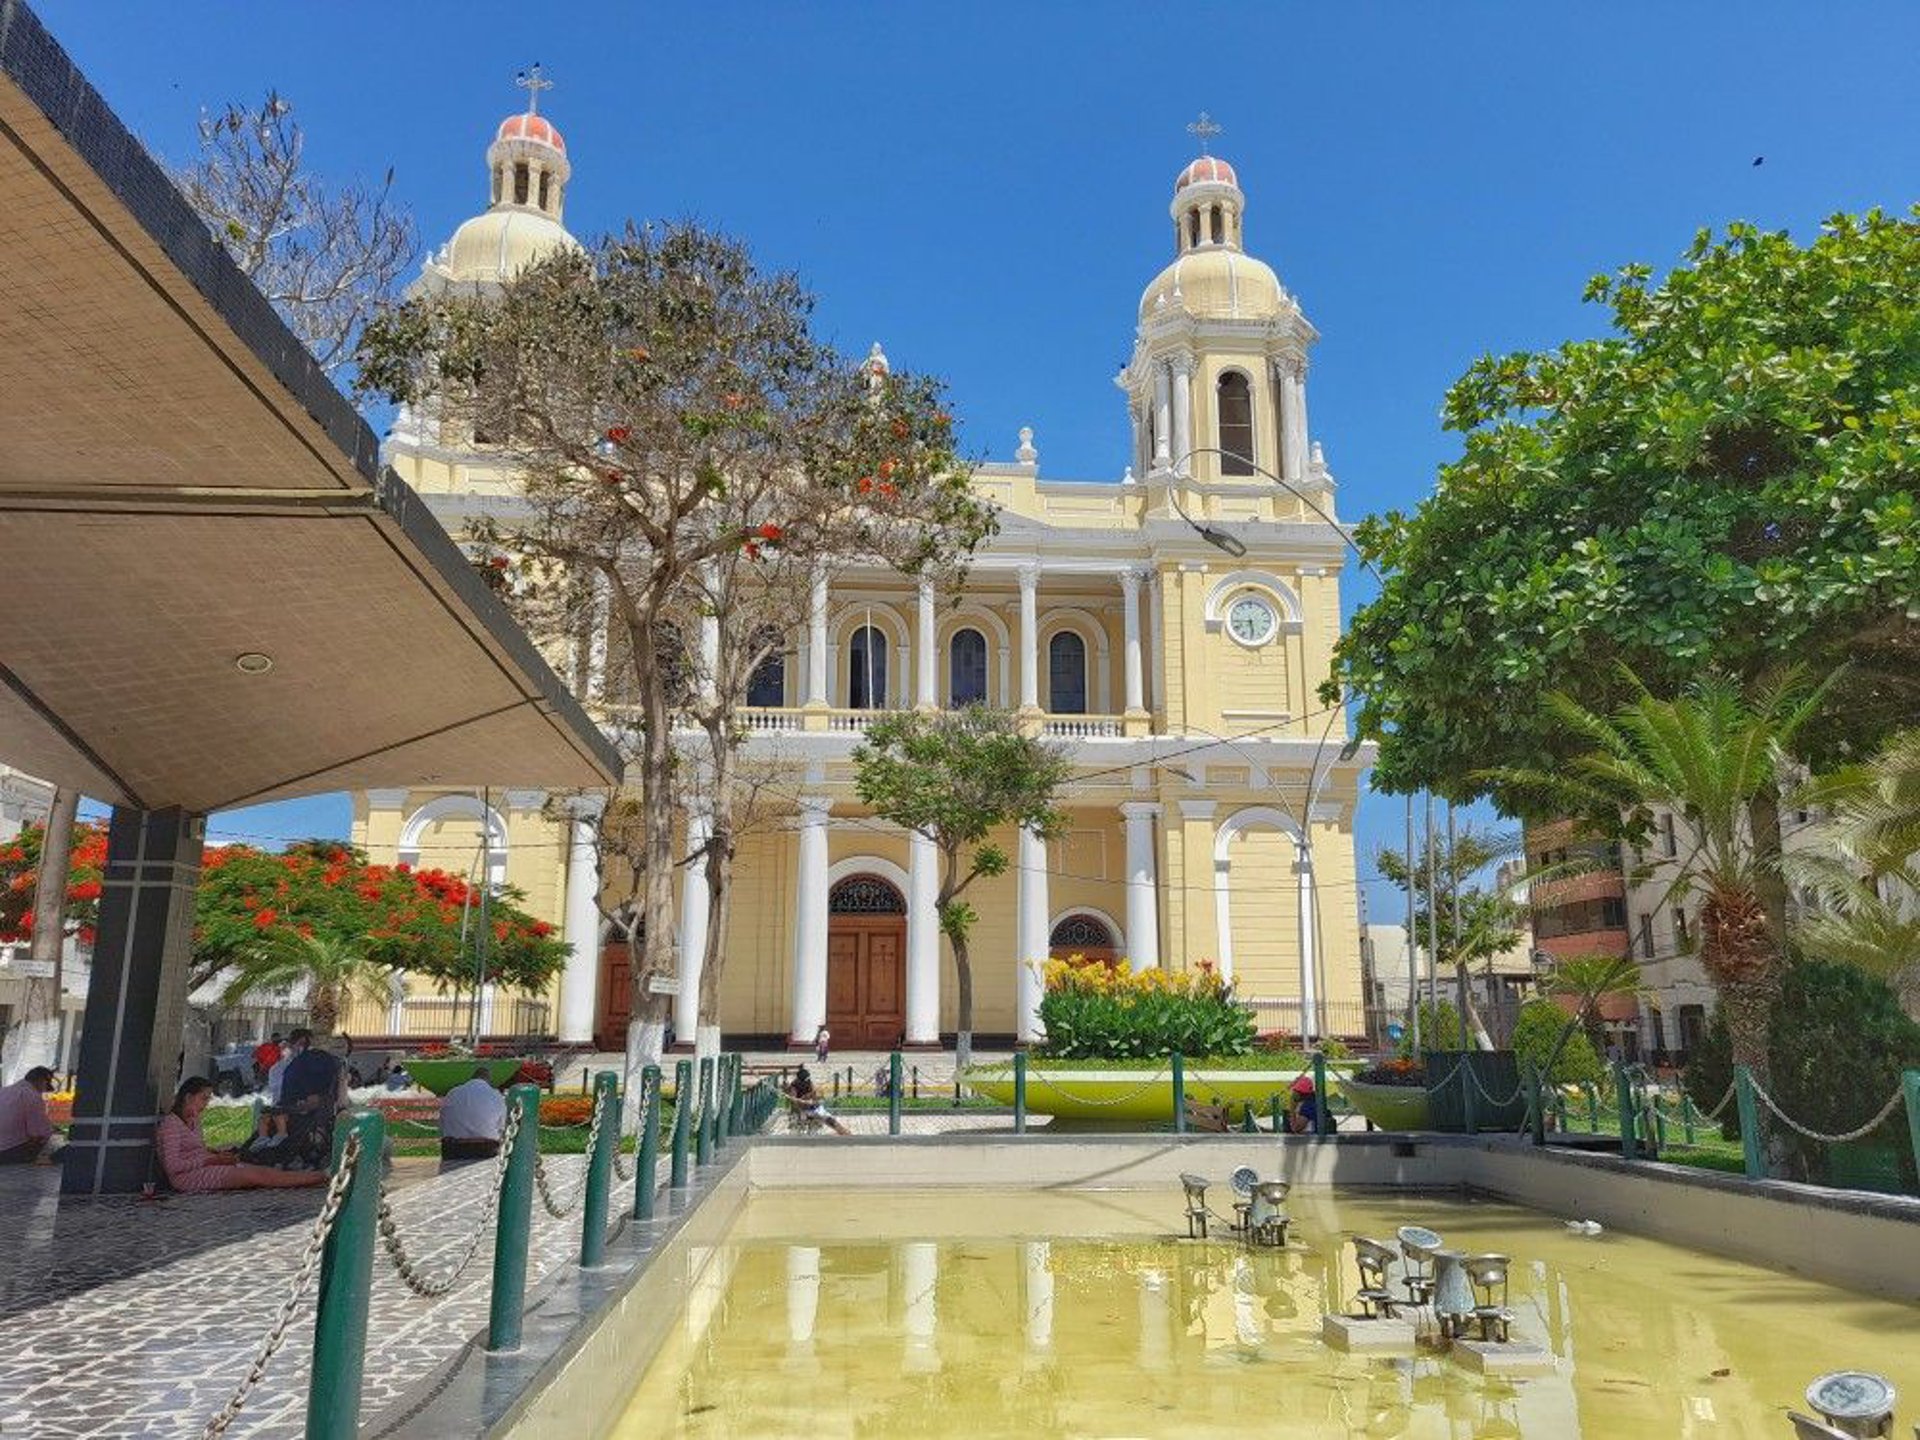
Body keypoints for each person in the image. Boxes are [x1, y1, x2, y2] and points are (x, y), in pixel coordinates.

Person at [156, 1078, 324, 1191]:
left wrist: (217, 1153)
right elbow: (173, 1167)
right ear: (188, 1097)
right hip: (186, 1178)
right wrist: (212, 1160)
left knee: (259, 1170)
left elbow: (194, 1149)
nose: (206, 1104)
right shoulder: (172, 1124)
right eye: (203, 1099)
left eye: (208, 1100)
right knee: (255, 1176)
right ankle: (320, 1177)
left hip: (204, 1165)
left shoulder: (194, 1121)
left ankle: (318, 1177)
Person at [439, 1065, 507, 1161]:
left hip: (452, 1148)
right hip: (485, 1149)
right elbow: (502, 1126)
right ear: (488, 1080)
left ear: (472, 1078)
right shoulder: (495, 1095)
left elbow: (442, 1121)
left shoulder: (452, 1092)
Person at [0, 1066, 57, 1164]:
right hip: (6, 1153)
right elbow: (38, 1133)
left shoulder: (3, 1091)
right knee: (47, 1139)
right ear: (43, 1081)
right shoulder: (32, 1096)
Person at [785, 1066, 850, 1136]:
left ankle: (844, 1132)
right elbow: (794, 1101)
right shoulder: (794, 1086)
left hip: (814, 1107)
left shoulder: (808, 1082)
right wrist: (805, 1100)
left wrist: (815, 1098)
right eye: (807, 1079)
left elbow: (815, 1095)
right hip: (805, 1109)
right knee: (826, 1118)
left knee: (830, 1119)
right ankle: (844, 1132)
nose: (808, 1080)